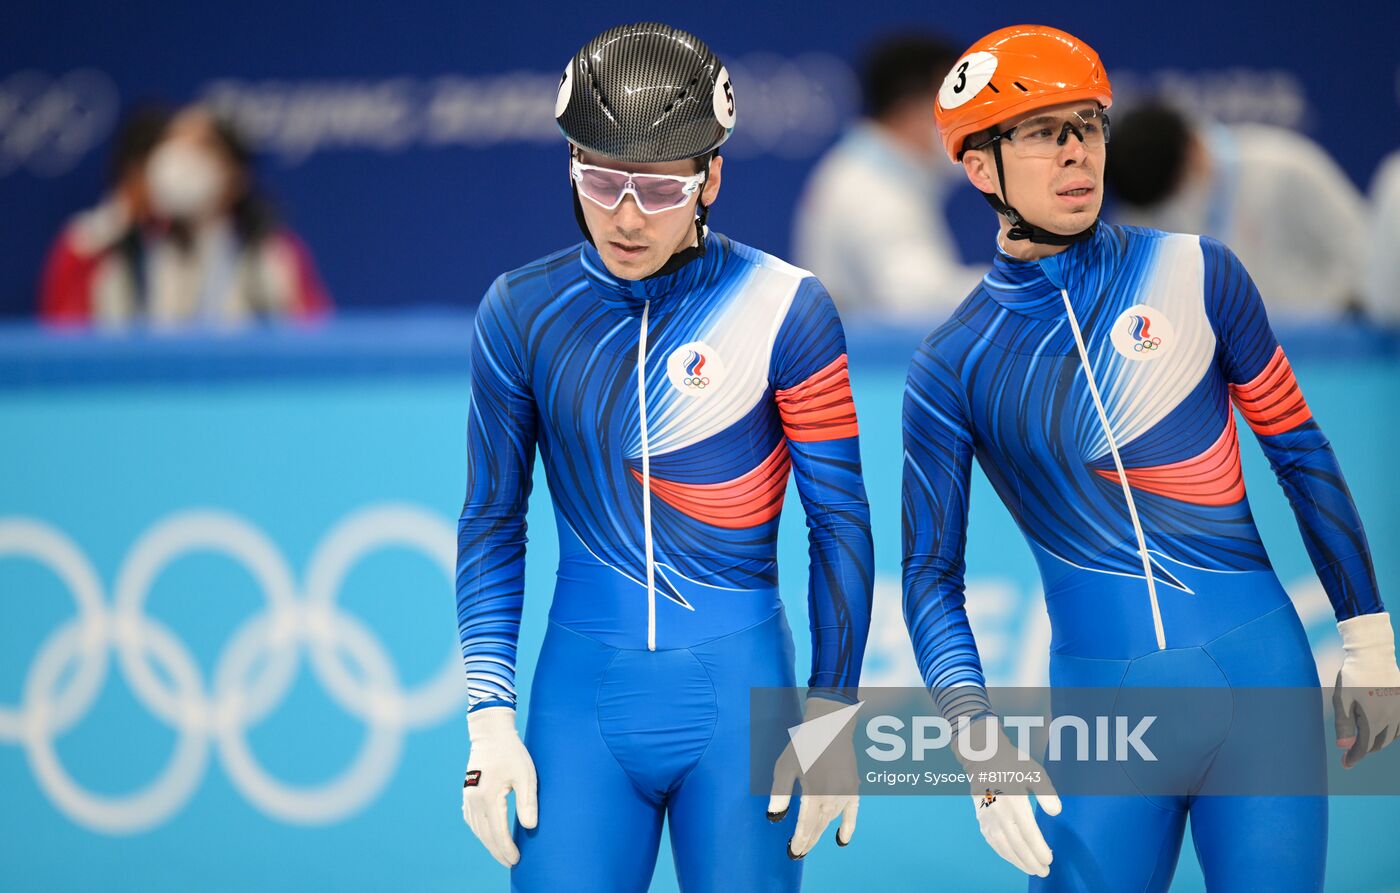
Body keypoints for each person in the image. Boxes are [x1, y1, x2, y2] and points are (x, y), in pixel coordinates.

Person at [902, 24, 1400, 891]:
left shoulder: (1202, 273)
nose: (1075, 153)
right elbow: (929, 577)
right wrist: (982, 750)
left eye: (1087, 126)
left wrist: (1367, 633)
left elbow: (1301, 452)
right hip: (1103, 722)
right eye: (1041, 132)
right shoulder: (951, 364)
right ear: (979, 166)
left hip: (1262, 687)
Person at [455, 22, 874, 892]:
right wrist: (488, 718)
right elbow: (494, 521)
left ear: (711, 176)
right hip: (581, 706)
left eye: (658, 186)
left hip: (741, 701)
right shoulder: (519, 311)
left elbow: (838, 524)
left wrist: (833, 712)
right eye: (602, 181)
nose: (628, 215)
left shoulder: (787, 307)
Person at [39, 103, 329, 327]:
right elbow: (64, 342)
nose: (181, 162)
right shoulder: (104, 246)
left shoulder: (272, 253)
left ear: (236, 175)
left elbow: (312, 345)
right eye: (173, 147)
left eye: (202, 149)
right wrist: (121, 215)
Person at [1103, 100, 1369, 318]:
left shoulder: (1285, 169)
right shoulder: (1143, 197)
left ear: (1192, 148)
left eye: (1175, 189)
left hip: (1324, 356)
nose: (1172, 206)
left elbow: (1364, 256)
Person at [793, 34, 986, 320]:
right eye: (958, 109)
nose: (973, 126)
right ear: (910, 112)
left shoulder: (861, 171)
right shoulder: (870, 191)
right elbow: (917, 301)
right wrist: (1025, 289)